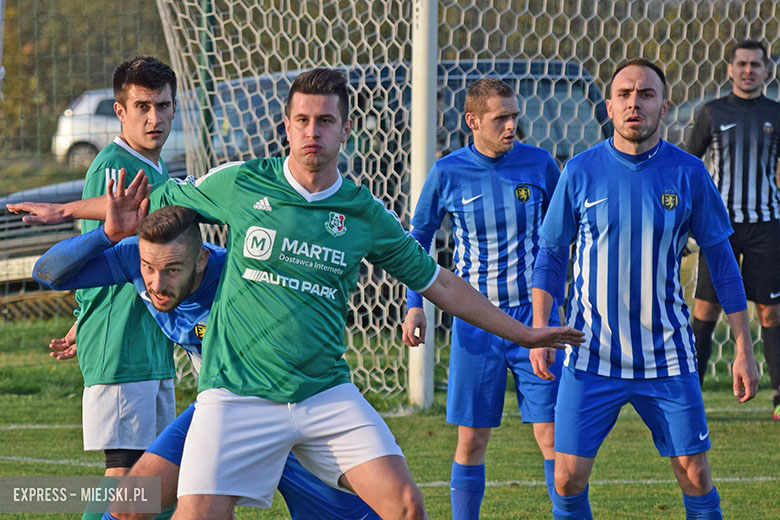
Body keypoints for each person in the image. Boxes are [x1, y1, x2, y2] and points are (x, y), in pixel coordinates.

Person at [10, 68, 583, 519]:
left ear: (345, 129)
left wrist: (526, 330)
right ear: (286, 125)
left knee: (406, 506)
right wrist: (78, 216)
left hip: (321, 395)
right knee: (136, 501)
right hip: (233, 397)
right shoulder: (234, 187)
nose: (313, 132)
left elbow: (440, 283)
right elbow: (86, 248)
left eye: (326, 121)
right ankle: (32, 498)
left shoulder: (362, 213)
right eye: (302, 120)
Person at [33, 180, 381, 520]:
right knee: (133, 502)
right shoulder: (134, 258)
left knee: (335, 510)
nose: (156, 283)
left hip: (269, 403)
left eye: (172, 270)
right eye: (148, 269)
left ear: (200, 261)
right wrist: (106, 236)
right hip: (215, 407)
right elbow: (49, 274)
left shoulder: (238, 277)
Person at [531, 58, 759, 519]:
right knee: (566, 476)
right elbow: (551, 255)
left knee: (694, 473)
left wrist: (742, 346)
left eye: (646, 94)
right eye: (625, 94)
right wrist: (541, 326)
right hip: (590, 353)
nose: (635, 103)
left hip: (666, 356)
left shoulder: (690, 173)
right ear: (611, 107)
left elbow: (722, 262)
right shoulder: (579, 171)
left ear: (665, 106)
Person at [401, 77, 563, 519]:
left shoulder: (541, 165)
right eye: (501, 119)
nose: (512, 126)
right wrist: (416, 305)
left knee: (552, 436)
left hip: (536, 322)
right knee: (471, 439)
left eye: (514, 116)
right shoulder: (448, 172)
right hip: (475, 323)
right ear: (472, 121)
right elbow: (419, 238)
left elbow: (564, 238)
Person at [71, 55, 179, 501]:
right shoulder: (113, 168)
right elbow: (94, 253)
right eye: (143, 107)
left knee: (154, 481)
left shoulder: (156, 169)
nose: (155, 118)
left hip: (150, 343)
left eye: (164, 106)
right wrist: (88, 317)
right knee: (125, 474)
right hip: (121, 344)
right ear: (120, 111)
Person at [685, 39, 780, 418]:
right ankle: (690, 395)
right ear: (730, 69)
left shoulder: (776, 112)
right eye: (741, 64)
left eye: (756, 65)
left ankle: (778, 397)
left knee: (770, 312)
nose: (748, 70)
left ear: (766, 71)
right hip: (718, 229)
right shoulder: (712, 112)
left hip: (766, 227)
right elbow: (688, 164)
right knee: (705, 310)